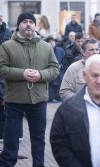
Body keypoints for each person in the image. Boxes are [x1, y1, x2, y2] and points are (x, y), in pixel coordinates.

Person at [0, 12, 59, 167]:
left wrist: (40, 75)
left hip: (38, 100)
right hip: (14, 100)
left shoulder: (45, 46)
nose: (28, 24)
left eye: (31, 22)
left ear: (35, 25)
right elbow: (1, 69)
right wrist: (22, 73)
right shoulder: (7, 46)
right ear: (18, 25)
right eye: (24, 21)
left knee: (38, 140)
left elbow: (54, 69)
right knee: (11, 140)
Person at [0, 13, 12, 140]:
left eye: (2, 16)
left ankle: (4, 133)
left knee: (4, 102)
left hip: (3, 70)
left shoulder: (7, 32)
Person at [45, 36, 65, 102]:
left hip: (59, 76)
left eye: (53, 41)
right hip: (49, 76)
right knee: (49, 99)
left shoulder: (61, 50)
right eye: (49, 42)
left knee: (59, 98)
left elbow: (65, 61)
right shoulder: (45, 51)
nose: (51, 43)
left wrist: (61, 65)